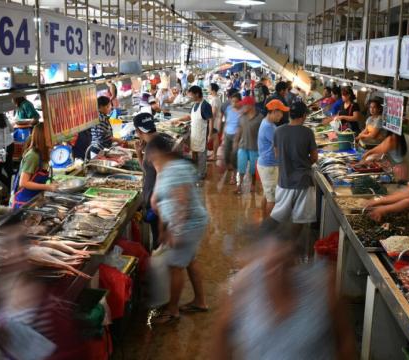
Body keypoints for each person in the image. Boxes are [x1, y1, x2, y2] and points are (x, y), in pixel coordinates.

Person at [211, 221, 357, 360]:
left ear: (293, 260)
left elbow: (344, 339)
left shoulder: (321, 286)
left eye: (285, 263)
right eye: (271, 265)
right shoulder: (242, 290)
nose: (278, 272)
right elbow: (221, 340)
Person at [147, 136, 209, 324]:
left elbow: (182, 202)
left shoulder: (176, 170)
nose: (150, 159)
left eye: (151, 155)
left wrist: (175, 231)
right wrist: (163, 228)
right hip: (185, 223)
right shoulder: (167, 169)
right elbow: (158, 202)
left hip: (188, 224)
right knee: (189, 260)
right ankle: (200, 301)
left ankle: (172, 310)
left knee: (175, 267)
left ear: (160, 153)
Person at [271, 101, 318, 237]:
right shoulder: (308, 132)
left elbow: (277, 155)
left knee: (279, 215)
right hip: (303, 182)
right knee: (300, 218)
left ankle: (274, 240)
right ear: (303, 116)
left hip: (284, 180)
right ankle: (291, 242)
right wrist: (303, 162)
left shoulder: (278, 131)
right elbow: (314, 157)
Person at [134, 113, 173, 247]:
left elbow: (163, 176)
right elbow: (149, 172)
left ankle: (161, 264)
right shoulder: (159, 141)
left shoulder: (153, 147)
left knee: (159, 241)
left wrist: (156, 201)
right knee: (159, 239)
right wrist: (139, 154)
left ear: (138, 131)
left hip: (159, 205)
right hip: (159, 203)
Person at [10, 123, 57, 209]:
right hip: (22, 202)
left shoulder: (43, 153)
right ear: (43, 138)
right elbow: (23, 183)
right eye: (51, 136)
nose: (54, 140)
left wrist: (52, 182)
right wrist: (47, 187)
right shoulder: (33, 156)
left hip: (34, 200)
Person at [173, 86, 213, 181]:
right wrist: (178, 119)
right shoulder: (194, 104)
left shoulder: (205, 105)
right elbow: (190, 116)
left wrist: (210, 134)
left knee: (202, 155)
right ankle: (197, 170)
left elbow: (211, 120)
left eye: (191, 95)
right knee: (194, 152)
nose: (190, 98)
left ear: (197, 94)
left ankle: (201, 173)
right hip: (194, 132)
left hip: (202, 133)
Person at [257, 100, 288, 218]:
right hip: (269, 166)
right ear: (274, 112)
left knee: (267, 195)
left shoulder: (267, 123)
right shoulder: (269, 127)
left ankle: (264, 220)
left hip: (266, 164)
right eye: (281, 113)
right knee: (272, 199)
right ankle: (269, 227)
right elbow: (280, 146)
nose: (282, 116)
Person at [233, 96, 264, 194]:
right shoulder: (242, 117)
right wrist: (235, 141)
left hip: (255, 147)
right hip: (243, 146)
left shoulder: (260, 118)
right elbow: (239, 129)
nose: (243, 107)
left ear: (251, 105)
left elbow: (263, 134)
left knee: (253, 169)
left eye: (244, 105)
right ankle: (239, 185)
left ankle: (253, 185)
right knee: (241, 167)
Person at [222, 92, 243, 184]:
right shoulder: (228, 109)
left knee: (235, 156)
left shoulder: (242, 111)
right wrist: (223, 134)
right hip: (227, 134)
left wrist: (237, 139)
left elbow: (242, 126)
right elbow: (227, 121)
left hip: (236, 136)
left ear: (240, 102)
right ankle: (229, 167)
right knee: (226, 154)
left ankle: (234, 176)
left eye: (236, 102)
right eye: (232, 101)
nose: (234, 103)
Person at [208, 83, 223, 161]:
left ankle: (214, 155)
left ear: (213, 90)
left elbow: (213, 113)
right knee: (215, 137)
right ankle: (214, 154)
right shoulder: (215, 98)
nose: (208, 89)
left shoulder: (215, 99)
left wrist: (211, 122)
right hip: (215, 121)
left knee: (215, 137)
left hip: (215, 121)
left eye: (209, 88)